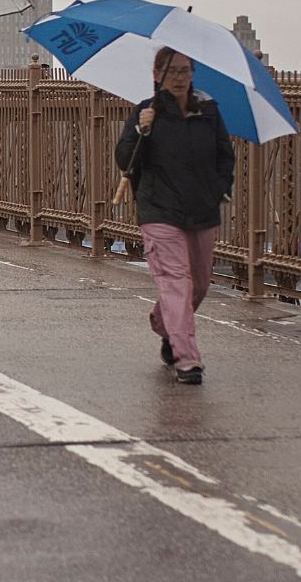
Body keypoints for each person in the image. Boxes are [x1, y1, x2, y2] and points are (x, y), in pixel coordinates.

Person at [115, 47, 235, 386]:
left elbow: (225, 155)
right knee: (176, 282)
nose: (179, 78)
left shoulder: (208, 111)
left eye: (185, 71)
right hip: (160, 210)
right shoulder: (146, 112)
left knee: (198, 283)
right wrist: (140, 131)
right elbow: (125, 160)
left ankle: (166, 323)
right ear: (156, 76)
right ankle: (187, 359)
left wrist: (220, 189)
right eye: (171, 72)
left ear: (193, 73)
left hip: (201, 210)